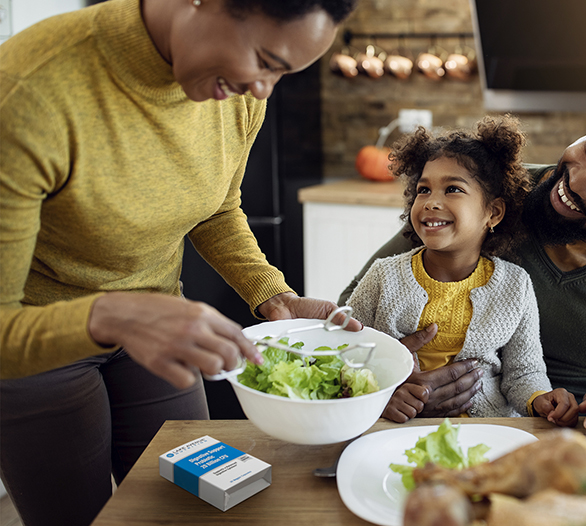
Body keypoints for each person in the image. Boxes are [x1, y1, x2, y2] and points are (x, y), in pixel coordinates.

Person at [0, 0, 359, 525]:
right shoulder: (30, 92)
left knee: (194, 509)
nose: (263, 89)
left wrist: (271, 294)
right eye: (264, 60)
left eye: (282, 73)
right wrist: (113, 314)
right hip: (37, 343)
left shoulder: (236, 95)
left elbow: (216, 207)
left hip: (158, 327)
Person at [340, 86, 586, 444]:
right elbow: (353, 312)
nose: (578, 180)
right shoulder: (485, 195)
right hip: (413, 432)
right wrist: (389, 377)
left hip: (567, 454)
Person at [346, 116, 578, 426]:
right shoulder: (383, 276)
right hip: (397, 427)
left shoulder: (515, 286)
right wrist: (381, 393)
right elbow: (346, 354)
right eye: (423, 190)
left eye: (452, 189)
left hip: (487, 431)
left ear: (492, 212)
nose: (431, 202)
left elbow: (524, 372)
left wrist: (540, 399)